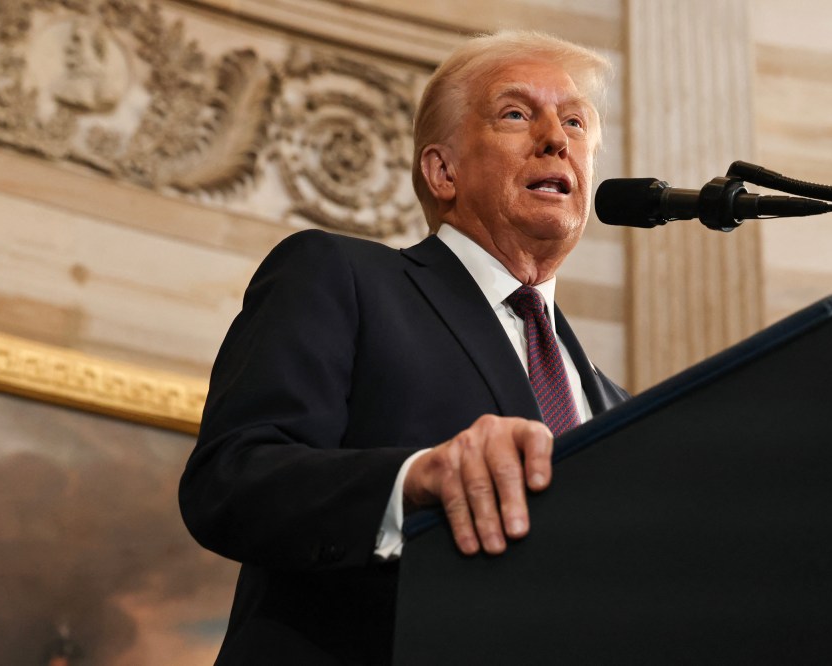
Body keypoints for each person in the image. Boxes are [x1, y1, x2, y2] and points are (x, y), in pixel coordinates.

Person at [179, 30, 629, 665]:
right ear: (442, 170)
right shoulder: (340, 277)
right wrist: (411, 479)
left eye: (576, 121)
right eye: (517, 113)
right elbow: (230, 481)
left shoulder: (619, 406)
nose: (557, 137)